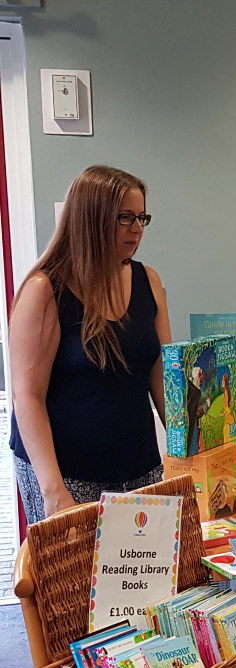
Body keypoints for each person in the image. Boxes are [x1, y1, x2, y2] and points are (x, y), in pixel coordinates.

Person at [8, 165, 172, 524]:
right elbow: (27, 397)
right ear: (91, 220)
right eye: (125, 218)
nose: (137, 229)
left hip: (139, 467)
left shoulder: (149, 281)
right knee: (73, 580)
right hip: (66, 475)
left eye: (142, 217)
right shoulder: (44, 291)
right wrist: (54, 493)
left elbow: (162, 376)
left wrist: (187, 451)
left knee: (142, 577)